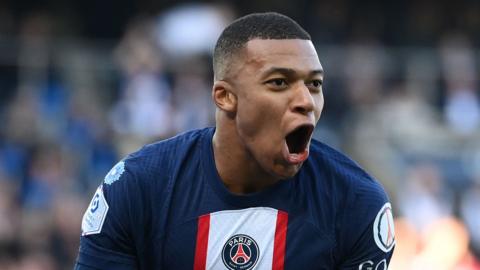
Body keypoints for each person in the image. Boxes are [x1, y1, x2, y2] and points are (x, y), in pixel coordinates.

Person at [74, 12, 395, 270]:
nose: (306, 101)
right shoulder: (139, 187)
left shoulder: (354, 203)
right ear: (225, 97)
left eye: (314, 84)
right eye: (279, 82)